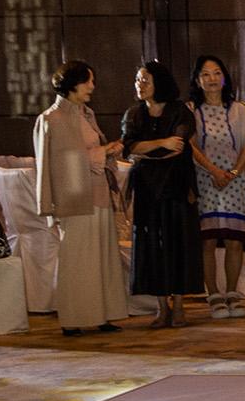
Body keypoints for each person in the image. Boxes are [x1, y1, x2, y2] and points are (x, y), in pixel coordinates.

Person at [33, 60, 128, 336]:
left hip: (98, 193)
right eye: (87, 81)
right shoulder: (50, 119)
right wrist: (102, 152)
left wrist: (109, 152)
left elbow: (87, 153)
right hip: (74, 198)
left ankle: (102, 314)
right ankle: (73, 318)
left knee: (102, 257)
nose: (92, 87)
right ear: (72, 84)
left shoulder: (86, 114)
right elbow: (56, 164)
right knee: (77, 260)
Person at [122, 61, 202, 328]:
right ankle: (161, 307)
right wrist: (159, 143)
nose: (140, 85)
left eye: (145, 80)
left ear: (160, 82)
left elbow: (177, 147)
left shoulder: (180, 111)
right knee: (150, 245)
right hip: (146, 188)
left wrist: (145, 150)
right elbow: (128, 147)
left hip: (176, 186)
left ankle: (178, 305)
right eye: (137, 80)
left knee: (179, 242)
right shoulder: (134, 113)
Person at [188, 54, 245, 319]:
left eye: (217, 73)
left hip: (234, 180)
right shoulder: (191, 110)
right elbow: (190, 145)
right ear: (197, 80)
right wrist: (213, 171)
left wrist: (233, 172)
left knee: (234, 239)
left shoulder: (238, 109)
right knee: (207, 240)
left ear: (225, 77)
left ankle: (232, 291)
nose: (212, 79)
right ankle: (214, 294)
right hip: (205, 180)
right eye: (205, 74)